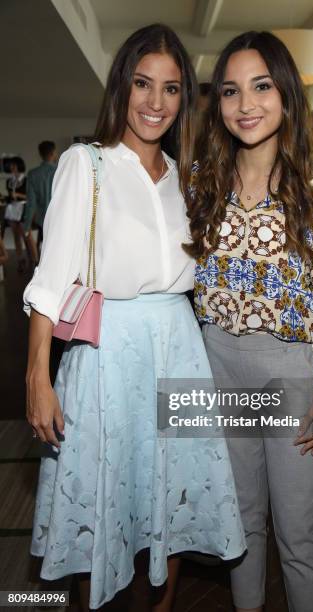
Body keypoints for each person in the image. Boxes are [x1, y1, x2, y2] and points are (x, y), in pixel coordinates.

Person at [24, 24, 245, 612]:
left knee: (170, 491)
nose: (155, 102)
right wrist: (37, 377)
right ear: (122, 86)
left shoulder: (185, 180)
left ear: (183, 99)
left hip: (178, 348)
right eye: (143, 84)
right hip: (106, 355)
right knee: (99, 494)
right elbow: (49, 281)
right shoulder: (85, 165)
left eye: (171, 89)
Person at [185, 31, 313, 612]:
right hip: (218, 368)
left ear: (285, 92)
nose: (245, 104)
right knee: (241, 527)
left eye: (261, 86)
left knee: (297, 539)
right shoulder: (203, 183)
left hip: (291, 374)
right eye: (231, 91)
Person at [23, 140, 58, 264]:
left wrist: (26, 226)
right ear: (54, 153)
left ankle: (40, 270)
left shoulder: (33, 174)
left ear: (40, 154)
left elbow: (31, 203)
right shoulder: (60, 171)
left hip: (42, 219)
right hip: (60, 218)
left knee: (43, 248)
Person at [3, 156, 27, 272]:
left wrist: (17, 195)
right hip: (12, 208)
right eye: (10, 165)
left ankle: (33, 259)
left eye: (13, 165)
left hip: (23, 208)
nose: (11, 167)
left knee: (25, 235)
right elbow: (9, 196)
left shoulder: (26, 179)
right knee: (16, 236)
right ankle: (20, 259)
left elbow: (29, 196)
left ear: (19, 165)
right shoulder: (9, 181)